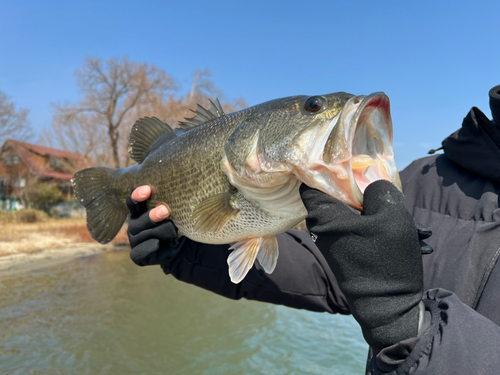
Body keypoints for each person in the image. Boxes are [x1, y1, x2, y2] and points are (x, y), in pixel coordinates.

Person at [126, 85, 500, 374]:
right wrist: (187, 249)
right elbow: (324, 271)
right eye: (313, 108)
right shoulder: (420, 178)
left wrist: (411, 327)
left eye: (314, 108)